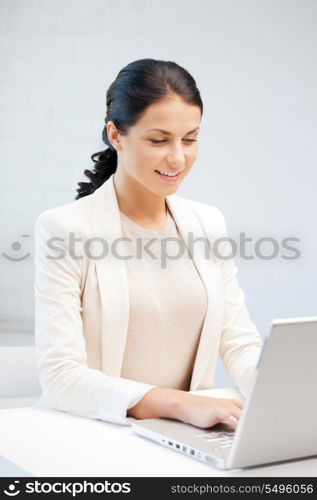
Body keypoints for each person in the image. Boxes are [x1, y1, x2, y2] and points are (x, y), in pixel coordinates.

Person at [34, 58, 263, 429]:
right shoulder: (65, 229)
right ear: (116, 135)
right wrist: (178, 405)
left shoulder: (207, 223)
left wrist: (277, 394)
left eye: (190, 139)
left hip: (191, 432)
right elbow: (61, 376)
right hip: (103, 430)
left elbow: (238, 342)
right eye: (158, 140)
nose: (177, 157)